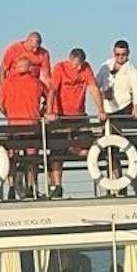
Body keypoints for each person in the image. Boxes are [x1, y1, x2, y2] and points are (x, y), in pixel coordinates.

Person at [0, 32, 50, 197]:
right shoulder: (36, 83)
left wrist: (7, 113)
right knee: (32, 157)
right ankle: (32, 186)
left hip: (13, 125)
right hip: (32, 124)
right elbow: (48, 96)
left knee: (12, 156)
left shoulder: (8, 84)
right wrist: (42, 112)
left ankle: (11, 188)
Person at [45, 45, 100, 193]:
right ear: (70, 60)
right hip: (61, 115)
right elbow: (53, 90)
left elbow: (93, 88)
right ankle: (57, 185)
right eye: (76, 64)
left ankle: (73, 149)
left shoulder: (86, 69)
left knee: (89, 145)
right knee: (57, 151)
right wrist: (50, 111)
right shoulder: (60, 68)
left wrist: (101, 110)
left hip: (79, 115)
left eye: (81, 64)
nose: (78, 67)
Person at [97, 40, 137, 123]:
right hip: (107, 108)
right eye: (117, 54)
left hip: (124, 107)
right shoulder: (105, 66)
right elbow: (96, 85)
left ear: (128, 53)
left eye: (123, 54)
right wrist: (100, 107)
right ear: (113, 52)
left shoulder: (132, 71)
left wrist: (136, 106)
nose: (120, 57)